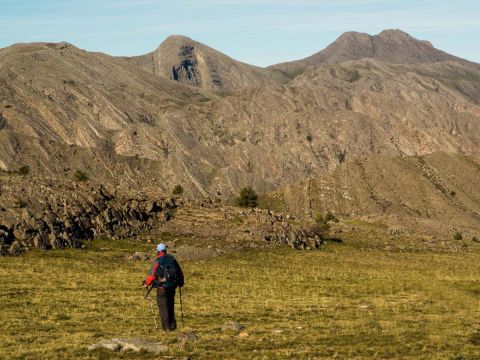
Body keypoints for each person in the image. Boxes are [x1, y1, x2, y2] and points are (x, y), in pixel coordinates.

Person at [144, 243, 184, 331]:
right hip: (172, 287)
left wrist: (146, 283)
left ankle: (166, 328)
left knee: (163, 308)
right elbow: (179, 273)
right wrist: (180, 283)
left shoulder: (157, 262)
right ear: (165, 250)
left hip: (162, 289)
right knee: (170, 306)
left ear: (158, 251)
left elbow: (152, 276)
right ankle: (172, 325)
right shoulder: (172, 260)